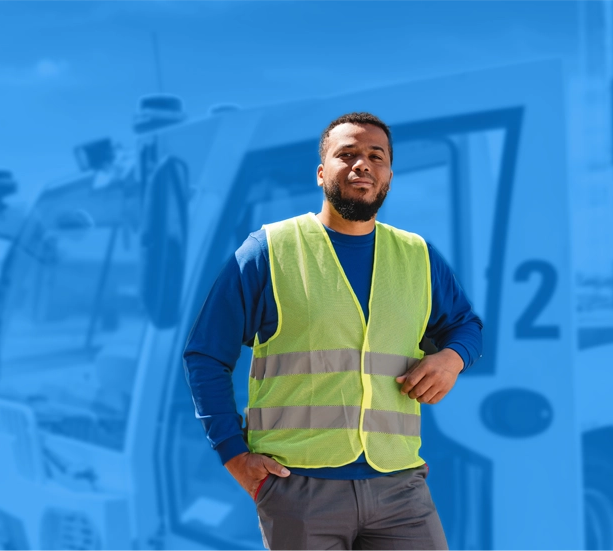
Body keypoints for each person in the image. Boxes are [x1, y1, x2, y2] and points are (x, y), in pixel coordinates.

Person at [184, 112, 483, 550]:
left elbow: (466, 326)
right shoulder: (268, 251)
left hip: (400, 486)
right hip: (299, 489)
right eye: (347, 154)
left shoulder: (419, 256)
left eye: (374, 156)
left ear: (388, 176)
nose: (362, 164)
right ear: (322, 171)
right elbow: (206, 355)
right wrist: (233, 453)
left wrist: (452, 358)